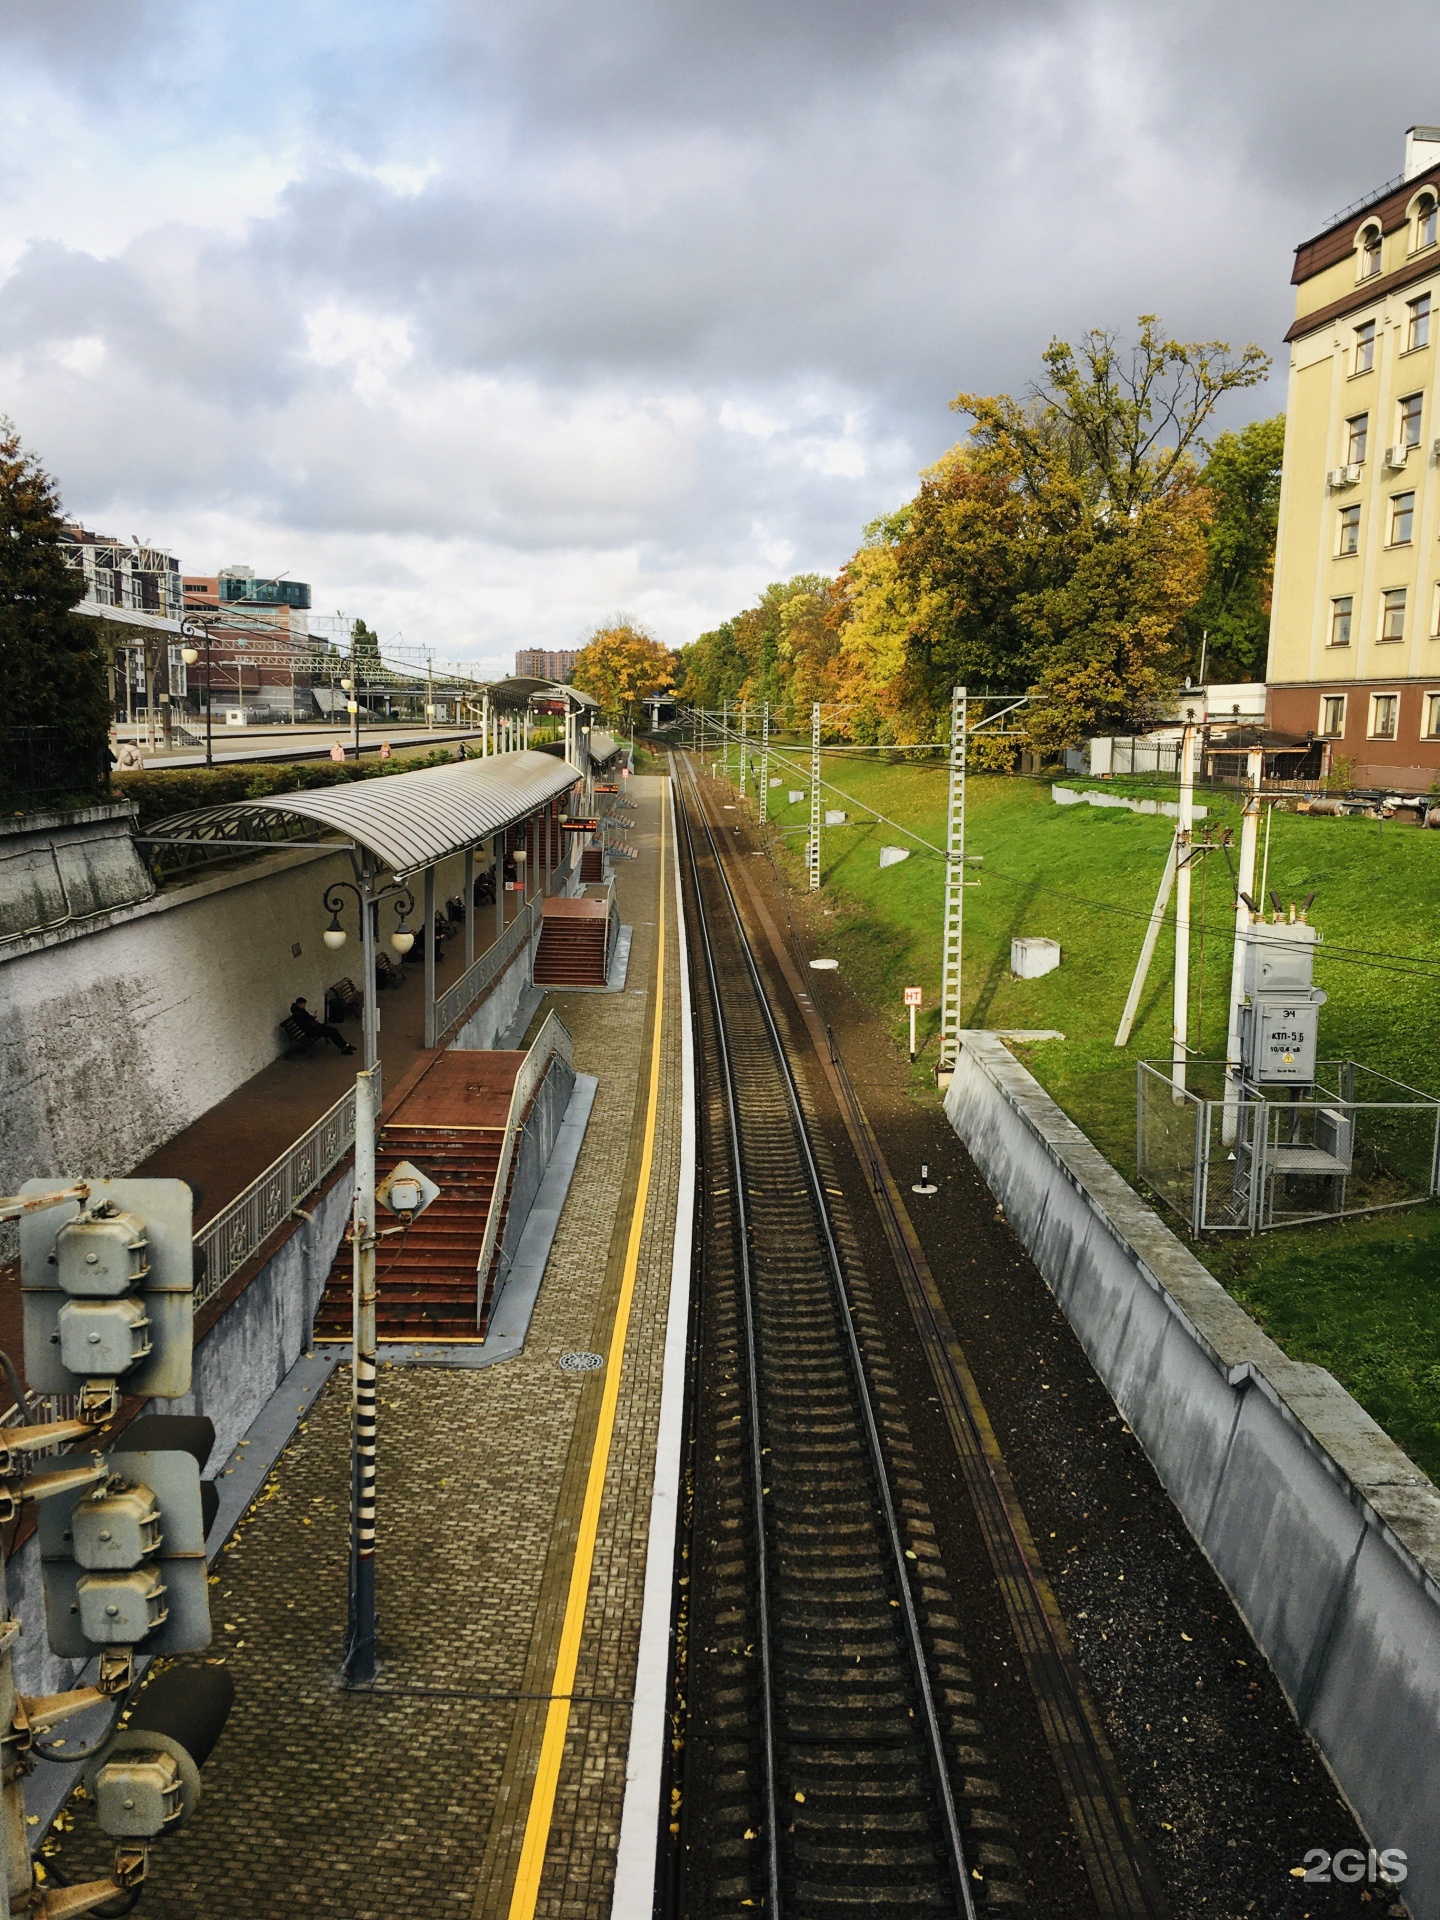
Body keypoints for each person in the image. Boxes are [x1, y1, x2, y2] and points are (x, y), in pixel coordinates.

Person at [289, 997, 355, 1054]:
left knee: (334, 1030)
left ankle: (345, 1045)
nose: (304, 1006)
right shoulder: (297, 1014)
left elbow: (307, 1018)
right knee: (332, 1033)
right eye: (303, 1004)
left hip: (315, 1026)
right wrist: (313, 1017)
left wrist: (312, 1017)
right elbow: (306, 1022)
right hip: (312, 1029)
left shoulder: (300, 1010)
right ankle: (343, 1048)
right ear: (298, 1004)